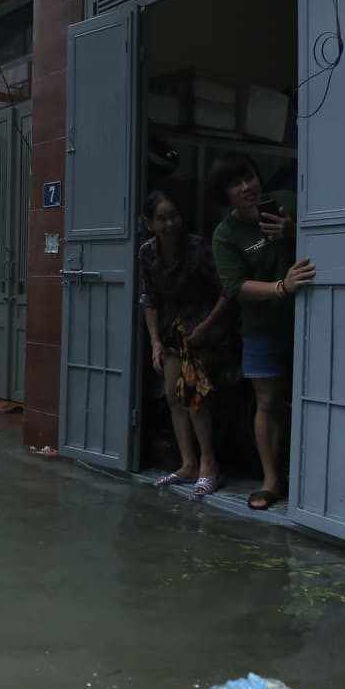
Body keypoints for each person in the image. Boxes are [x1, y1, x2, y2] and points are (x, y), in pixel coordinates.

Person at [209, 153, 316, 511]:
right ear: (225, 196)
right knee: (268, 401)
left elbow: (323, 240)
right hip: (263, 327)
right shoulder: (225, 235)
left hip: (311, 319)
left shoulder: (286, 204)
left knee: (315, 396)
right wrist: (281, 288)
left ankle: (315, 477)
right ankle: (270, 480)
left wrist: (293, 231)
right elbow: (236, 286)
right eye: (236, 184)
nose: (246, 187)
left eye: (249, 177)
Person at [139, 190, 238, 497]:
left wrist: (206, 328)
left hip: (203, 330)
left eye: (174, 216)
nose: (170, 223)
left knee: (193, 394)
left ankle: (210, 466)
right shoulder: (147, 253)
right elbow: (149, 298)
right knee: (171, 394)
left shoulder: (198, 248)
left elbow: (226, 290)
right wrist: (155, 341)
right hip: (172, 333)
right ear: (149, 224)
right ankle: (188, 464)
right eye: (162, 218)